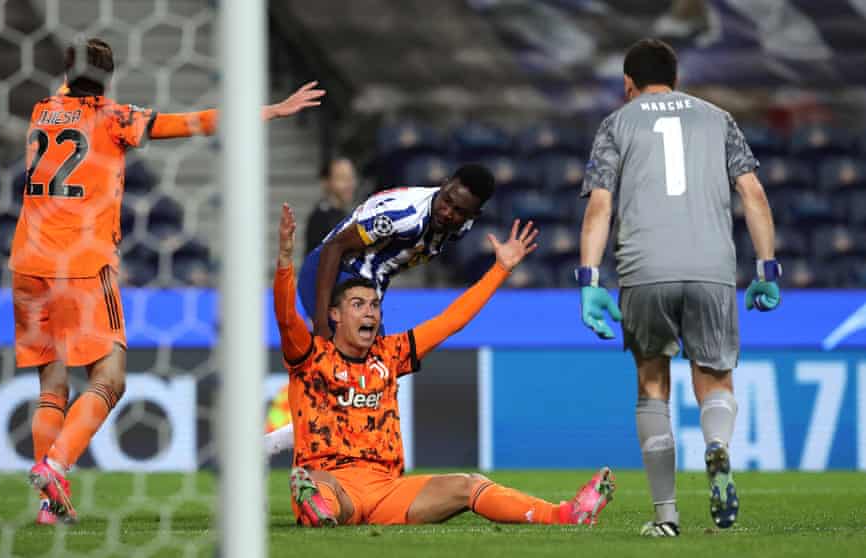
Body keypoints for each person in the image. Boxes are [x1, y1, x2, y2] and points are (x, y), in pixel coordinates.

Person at [13, 37, 324, 525]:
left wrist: (78, 71)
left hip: (26, 265)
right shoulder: (114, 117)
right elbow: (193, 122)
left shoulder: (41, 111)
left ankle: (48, 506)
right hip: (81, 263)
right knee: (110, 380)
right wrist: (273, 111)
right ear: (108, 81)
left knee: (52, 386)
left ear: (67, 76)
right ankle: (54, 466)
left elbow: (72, 85)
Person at [274, 203, 616, 527]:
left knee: (468, 485)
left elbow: (453, 319)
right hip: (334, 481)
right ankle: (316, 506)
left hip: (388, 491)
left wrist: (500, 270)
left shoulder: (391, 353)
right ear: (334, 315)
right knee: (316, 484)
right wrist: (286, 262)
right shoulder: (311, 357)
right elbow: (288, 319)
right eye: (358, 304)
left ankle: (566, 515)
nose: (370, 312)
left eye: (374, 305)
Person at [576, 38, 781, 536]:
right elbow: (752, 193)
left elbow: (600, 206)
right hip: (711, 269)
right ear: (677, 77)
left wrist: (589, 279)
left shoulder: (616, 124)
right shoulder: (718, 118)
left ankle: (666, 517)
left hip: (645, 270)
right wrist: (767, 268)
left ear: (629, 83)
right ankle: (718, 446)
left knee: (652, 385)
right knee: (714, 377)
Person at [263, 163, 496, 457]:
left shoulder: (461, 226)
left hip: (366, 287)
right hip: (333, 274)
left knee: (370, 381)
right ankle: (336, 462)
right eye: (447, 200)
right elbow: (334, 248)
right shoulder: (402, 216)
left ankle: (287, 446)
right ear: (445, 183)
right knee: (371, 374)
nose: (448, 211)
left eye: (458, 210)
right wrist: (322, 322)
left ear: (473, 215)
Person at [304, 158, 358, 258]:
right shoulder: (320, 219)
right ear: (326, 182)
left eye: (351, 177)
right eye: (342, 178)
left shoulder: (347, 215)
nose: (349, 184)